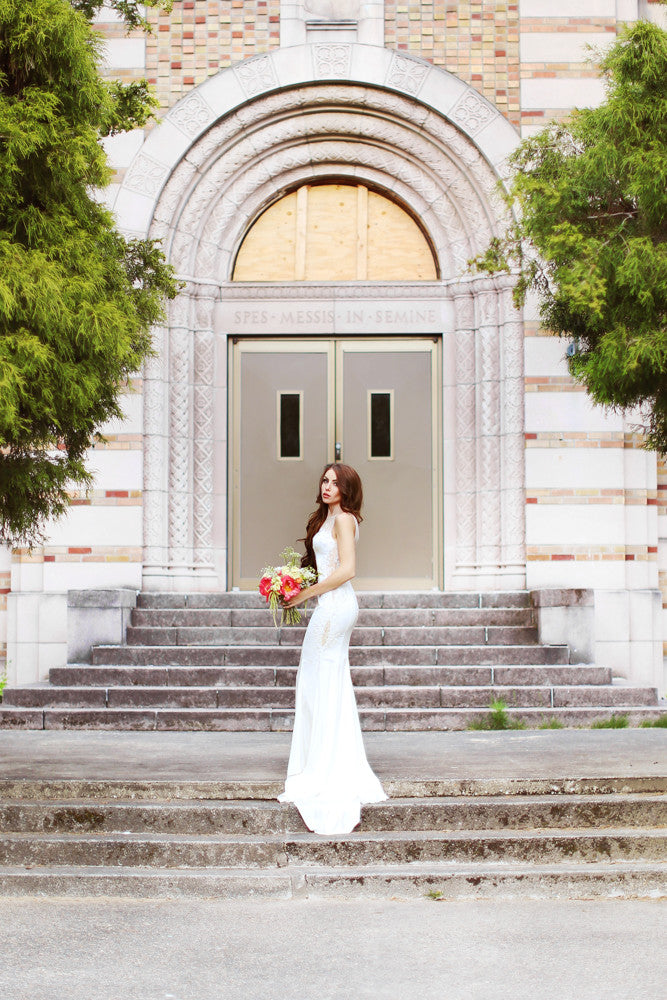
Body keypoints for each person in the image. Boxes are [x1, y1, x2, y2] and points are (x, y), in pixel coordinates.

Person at [278, 463, 387, 835]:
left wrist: (304, 595)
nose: (328, 486)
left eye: (335, 482)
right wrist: (289, 583)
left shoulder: (344, 520)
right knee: (319, 679)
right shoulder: (325, 520)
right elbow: (324, 565)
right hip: (329, 606)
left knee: (319, 678)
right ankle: (321, 759)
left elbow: (347, 570)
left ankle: (323, 768)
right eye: (325, 480)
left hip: (336, 608)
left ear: (347, 488)